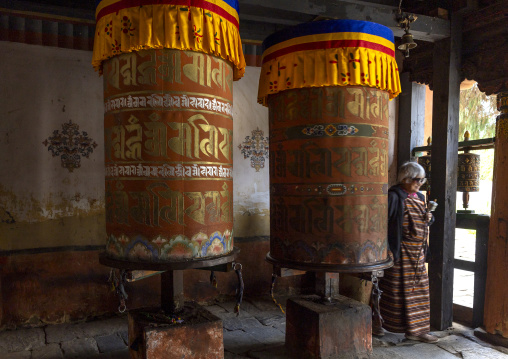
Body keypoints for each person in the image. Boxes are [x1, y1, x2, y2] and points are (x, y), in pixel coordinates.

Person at [374, 161, 439, 343]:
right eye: (417, 180)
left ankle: (417, 331)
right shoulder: (394, 196)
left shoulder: (419, 196)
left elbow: (424, 221)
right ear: (405, 178)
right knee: (393, 291)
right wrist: (387, 249)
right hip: (399, 252)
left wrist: (429, 217)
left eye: (422, 180)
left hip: (417, 254)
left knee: (420, 290)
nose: (420, 183)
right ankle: (379, 324)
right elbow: (382, 224)